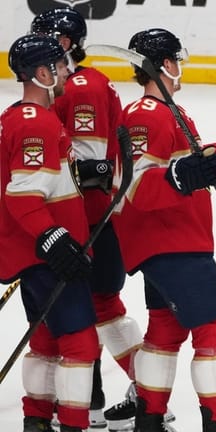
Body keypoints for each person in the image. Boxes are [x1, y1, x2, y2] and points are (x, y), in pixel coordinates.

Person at [28, 8, 170, 432]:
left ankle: (126, 397)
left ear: (66, 43)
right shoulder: (68, 85)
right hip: (76, 218)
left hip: (88, 219)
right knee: (88, 309)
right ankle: (132, 394)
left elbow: (91, 167)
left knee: (87, 309)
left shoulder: (83, 85)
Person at [111, 28, 216, 432]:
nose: (180, 67)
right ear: (165, 64)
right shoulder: (145, 114)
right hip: (169, 240)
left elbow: (193, 170)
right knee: (213, 327)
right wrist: (181, 174)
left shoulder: (169, 112)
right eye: (177, 60)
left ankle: (149, 421)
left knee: (166, 328)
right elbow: (139, 185)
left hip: (174, 238)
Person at [0, 33, 97, 432]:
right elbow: (23, 196)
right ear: (41, 74)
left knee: (43, 339)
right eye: (58, 67)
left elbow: (42, 180)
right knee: (80, 342)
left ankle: (36, 420)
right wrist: (54, 239)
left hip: (34, 252)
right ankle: (73, 425)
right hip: (47, 254)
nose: (65, 72)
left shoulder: (20, 116)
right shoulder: (36, 122)